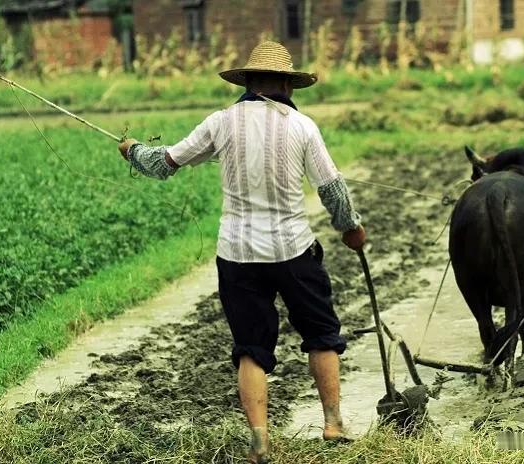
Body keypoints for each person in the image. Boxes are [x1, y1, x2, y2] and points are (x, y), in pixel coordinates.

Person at [118, 41, 365, 464]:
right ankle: (333, 424)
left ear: (247, 81)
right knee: (322, 333)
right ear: (288, 84)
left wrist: (132, 150)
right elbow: (332, 189)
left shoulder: (220, 122)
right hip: (293, 251)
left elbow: (164, 163)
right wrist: (351, 228)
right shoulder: (302, 127)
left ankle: (260, 441)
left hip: (238, 255)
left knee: (251, 348)